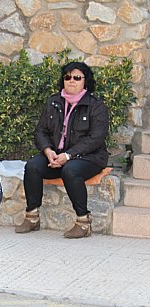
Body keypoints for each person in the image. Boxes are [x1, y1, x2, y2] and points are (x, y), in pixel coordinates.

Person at [15, 62, 109, 238]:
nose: (71, 81)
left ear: (85, 81)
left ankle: (83, 222)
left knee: (71, 170)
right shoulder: (54, 102)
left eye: (76, 77)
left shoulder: (96, 106)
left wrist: (69, 155)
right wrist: (47, 150)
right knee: (33, 166)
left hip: (89, 157)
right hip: (57, 154)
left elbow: (95, 138)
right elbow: (41, 130)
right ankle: (32, 217)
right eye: (67, 77)